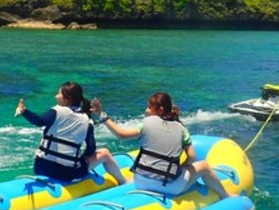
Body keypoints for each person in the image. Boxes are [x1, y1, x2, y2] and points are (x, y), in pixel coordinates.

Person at [90, 91, 232, 198]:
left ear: (160, 110)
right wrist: (184, 168)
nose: (146, 110)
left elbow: (121, 135)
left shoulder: (145, 123)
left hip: (140, 181)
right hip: (169, 186)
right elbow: (192, 156)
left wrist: (102, 114)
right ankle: (226, 196)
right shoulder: (181, 129)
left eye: (149, 107)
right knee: (205, 166)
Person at [15, 81, 126, 184]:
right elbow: (91, 148)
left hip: (41, 167)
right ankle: (123, 182)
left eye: (58, 94)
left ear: (67, 99)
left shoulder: (56, 111)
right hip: (67, 173)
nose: (56, 96)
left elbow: (39, 121)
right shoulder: (87, 120)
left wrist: (24, 111)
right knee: (105, 153)